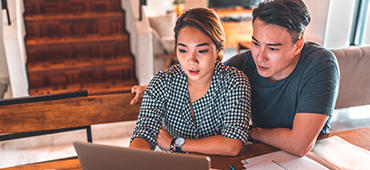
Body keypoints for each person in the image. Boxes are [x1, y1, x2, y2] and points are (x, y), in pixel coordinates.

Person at [130, 0, 340, 157]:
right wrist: (153, 88)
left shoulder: (320, 64)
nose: (259, 57)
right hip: (259, 153)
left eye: (272, 48)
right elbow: (204, 74)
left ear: (298, 46)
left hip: (311, 157)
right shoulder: (245, 64)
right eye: (255, 43)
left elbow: (300, 144)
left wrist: (252, 132)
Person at [129, 8, 252, 156]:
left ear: (218, 49)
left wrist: (175, 143)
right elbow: (144, 133)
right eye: (183, 50)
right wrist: (134, 159)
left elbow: (232, 144)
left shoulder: (235, 83)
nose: (191, 61)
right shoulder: (162, 82)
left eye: (202, 51)